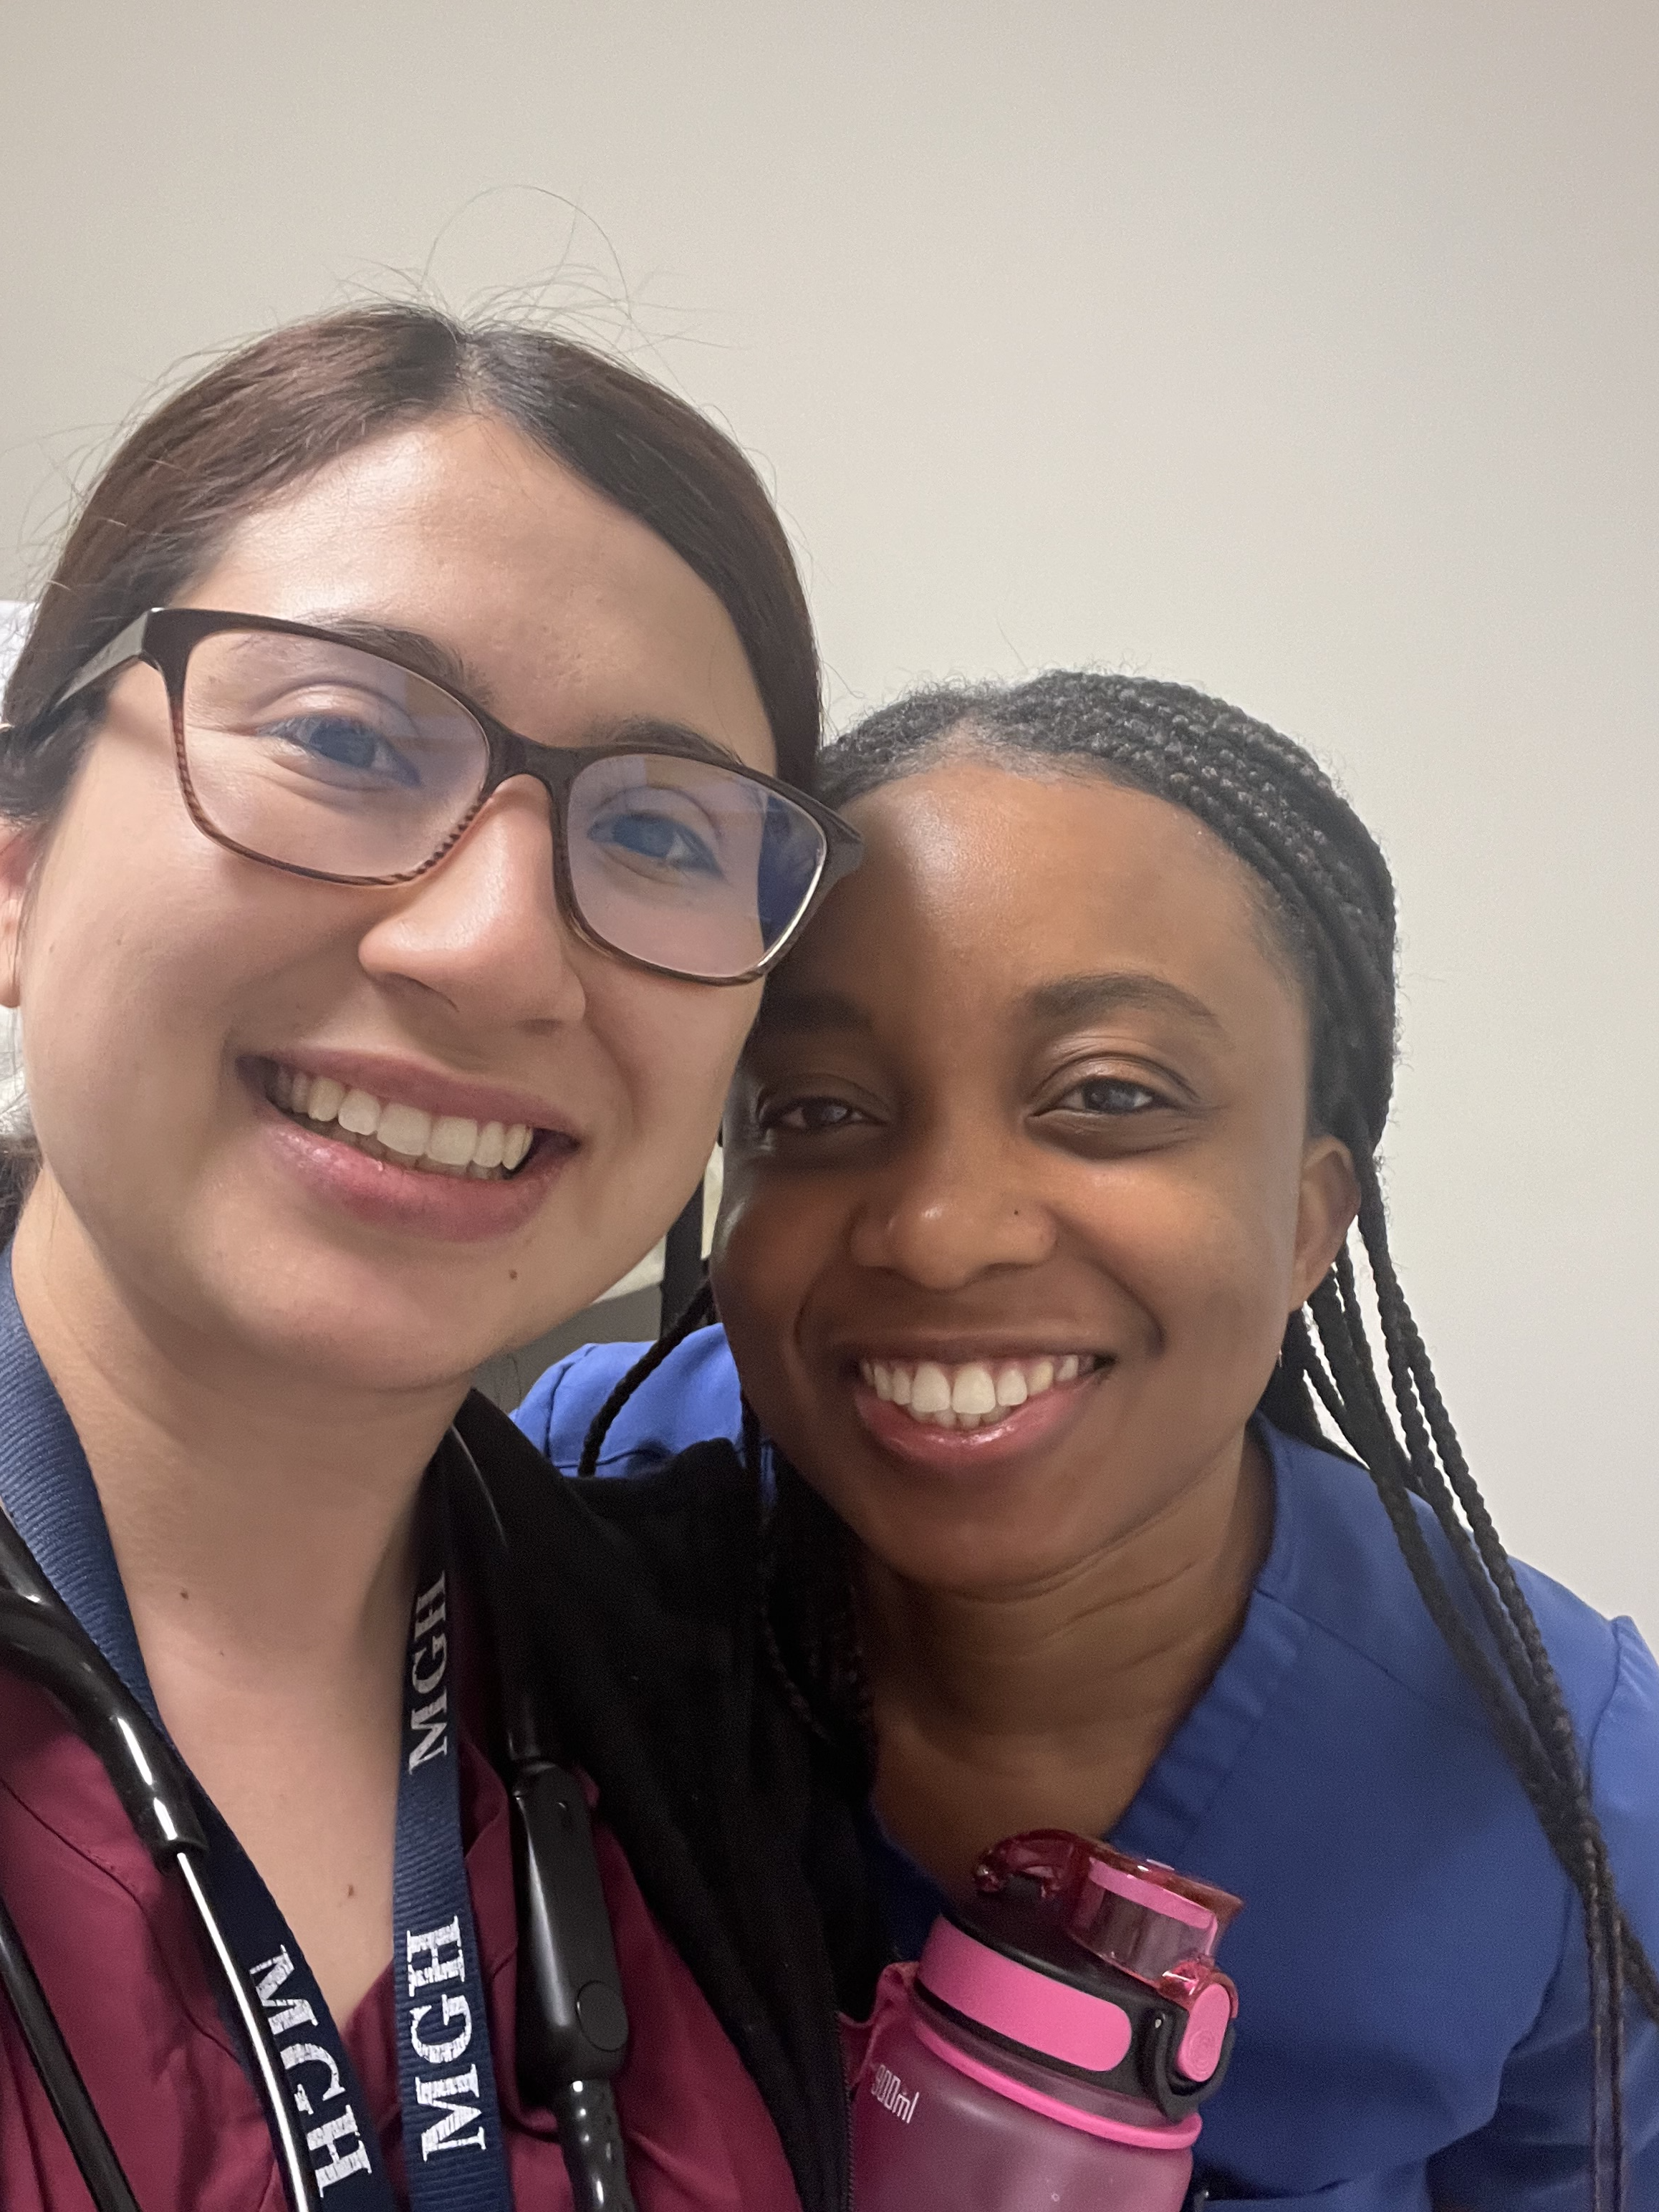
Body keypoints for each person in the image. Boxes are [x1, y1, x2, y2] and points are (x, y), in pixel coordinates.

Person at [521, 671, 1659, 2209]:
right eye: (815, 1108)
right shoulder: (574, 1495)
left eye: (1109, 1093)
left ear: (1312, 1214)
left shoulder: (1566, 1790)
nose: (936, 1233)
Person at [0, 302, 865, 2212]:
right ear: (19, 866)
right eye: (338, 734)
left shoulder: (691, 1698)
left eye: (654, 832)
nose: (489, 945)